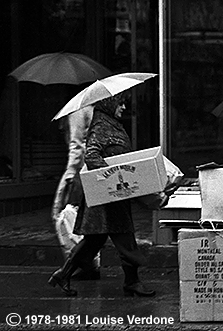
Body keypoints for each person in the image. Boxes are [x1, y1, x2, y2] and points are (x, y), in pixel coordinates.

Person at [48, 93, 160, 297]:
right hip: (106, 196)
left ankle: (63, 274)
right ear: (110, 104)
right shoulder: (101, 126)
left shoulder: (112, 124)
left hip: (111, 195)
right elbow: (91, 156)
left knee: (94, 241)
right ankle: (132, 282)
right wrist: (115, 176)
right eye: (121, 102)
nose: (124, 107)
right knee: (123, 238)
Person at [51, 106, 101, 280]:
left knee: (66, 216)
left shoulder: (77, 111)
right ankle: (87, 262)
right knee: (83, 219)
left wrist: (70, 175)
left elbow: (76, 145)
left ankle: (83, 264)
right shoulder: (93, 110)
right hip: (90, 168)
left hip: (80, 170)